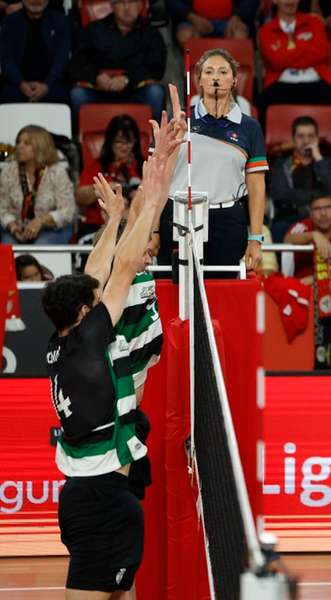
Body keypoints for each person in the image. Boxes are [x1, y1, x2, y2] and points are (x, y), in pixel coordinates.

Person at [40, 105, 182, 598]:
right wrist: (158, 173)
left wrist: (118, 216)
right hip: (98, 499)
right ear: (85, 315)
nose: (98, 301)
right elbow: (120, 269)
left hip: (97, 495)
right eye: (92, 303)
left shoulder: (62, 344)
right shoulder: (89, 343)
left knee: (119, 592)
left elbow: (99, 273)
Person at [159, 49, 268, 274]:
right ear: (199, 81)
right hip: (178, 215)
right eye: (208, 72)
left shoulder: (250, 127)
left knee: (223, 291)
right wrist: (152, 232)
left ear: (235, 79)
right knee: (176, 290)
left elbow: (256, 186)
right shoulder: (180, 121)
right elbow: (157, 177)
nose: (215, 77)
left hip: (227, 220)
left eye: (223, 71)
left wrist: (255, 239)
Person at [68, 0, 167, 121]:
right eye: (121, 2)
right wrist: (96, 77)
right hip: (99, 92)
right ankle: (81, 138)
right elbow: (77, 64)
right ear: (112, 6)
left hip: (135, 91)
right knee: (77, 95)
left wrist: (127, 79)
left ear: (141, 5)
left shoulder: (151, 33)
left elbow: (156, 68)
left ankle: (154, 137)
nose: (127, 8)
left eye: (132, 2)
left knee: (155, 93)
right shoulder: (94, 30)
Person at [268, 115, 331, 243]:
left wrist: (318, 158)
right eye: (301, 136)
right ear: (293, 139)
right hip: (291, 217)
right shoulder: (281, 164)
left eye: (311, 136)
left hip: (325, 217)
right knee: (278, 229)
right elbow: (280, 194)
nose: (306, 141)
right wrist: (317, 197)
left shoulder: (329, 162)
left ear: (317, 139)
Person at [257, 0, 331, 111]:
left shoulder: (315, 22)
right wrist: (305, 47)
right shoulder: (265, 31)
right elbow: (276, 62)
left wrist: (286, 53)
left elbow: (322, 53)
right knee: (262, 104)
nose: (290, 2)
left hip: (316, 81)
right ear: (275, 1)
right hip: (281, 84)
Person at [0, 125, 75, 245]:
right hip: (17, 229)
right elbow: (2, 208)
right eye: (18, 142)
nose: (20, 146)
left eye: (26, 143)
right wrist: (13, 228)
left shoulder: (57, 172)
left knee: (41, 246)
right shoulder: (8, 171)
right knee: (7, 247)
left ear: (41, 146)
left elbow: (68, 211)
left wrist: (41, 221)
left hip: (51, 229)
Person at [75, 115, 144, 237]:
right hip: (98, 226)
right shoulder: (97, 165)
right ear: (110, 141)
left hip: (135, 226)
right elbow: (79, 197)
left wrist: (139, 195)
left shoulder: (144, 165)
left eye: (129, 142)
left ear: (135, 142)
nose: (124, 147)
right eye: (119, 142)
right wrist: (102, 189)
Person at [0, 0, 71, 104]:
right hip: (16, 84)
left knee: (62, 98)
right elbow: (6, 59)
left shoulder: (61, 21)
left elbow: (62, 58)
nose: (36, 1)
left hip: (52, 83)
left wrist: (47, 85)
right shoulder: (9, 22)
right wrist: (21, 84)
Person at [167, 0, 253, 45]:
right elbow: (173, 2)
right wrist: (192, 17)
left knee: (239, 35)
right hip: (192, 20)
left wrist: (237, 17)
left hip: (229, 21)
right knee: (185, 36)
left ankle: (234, 74)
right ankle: (191, 74)